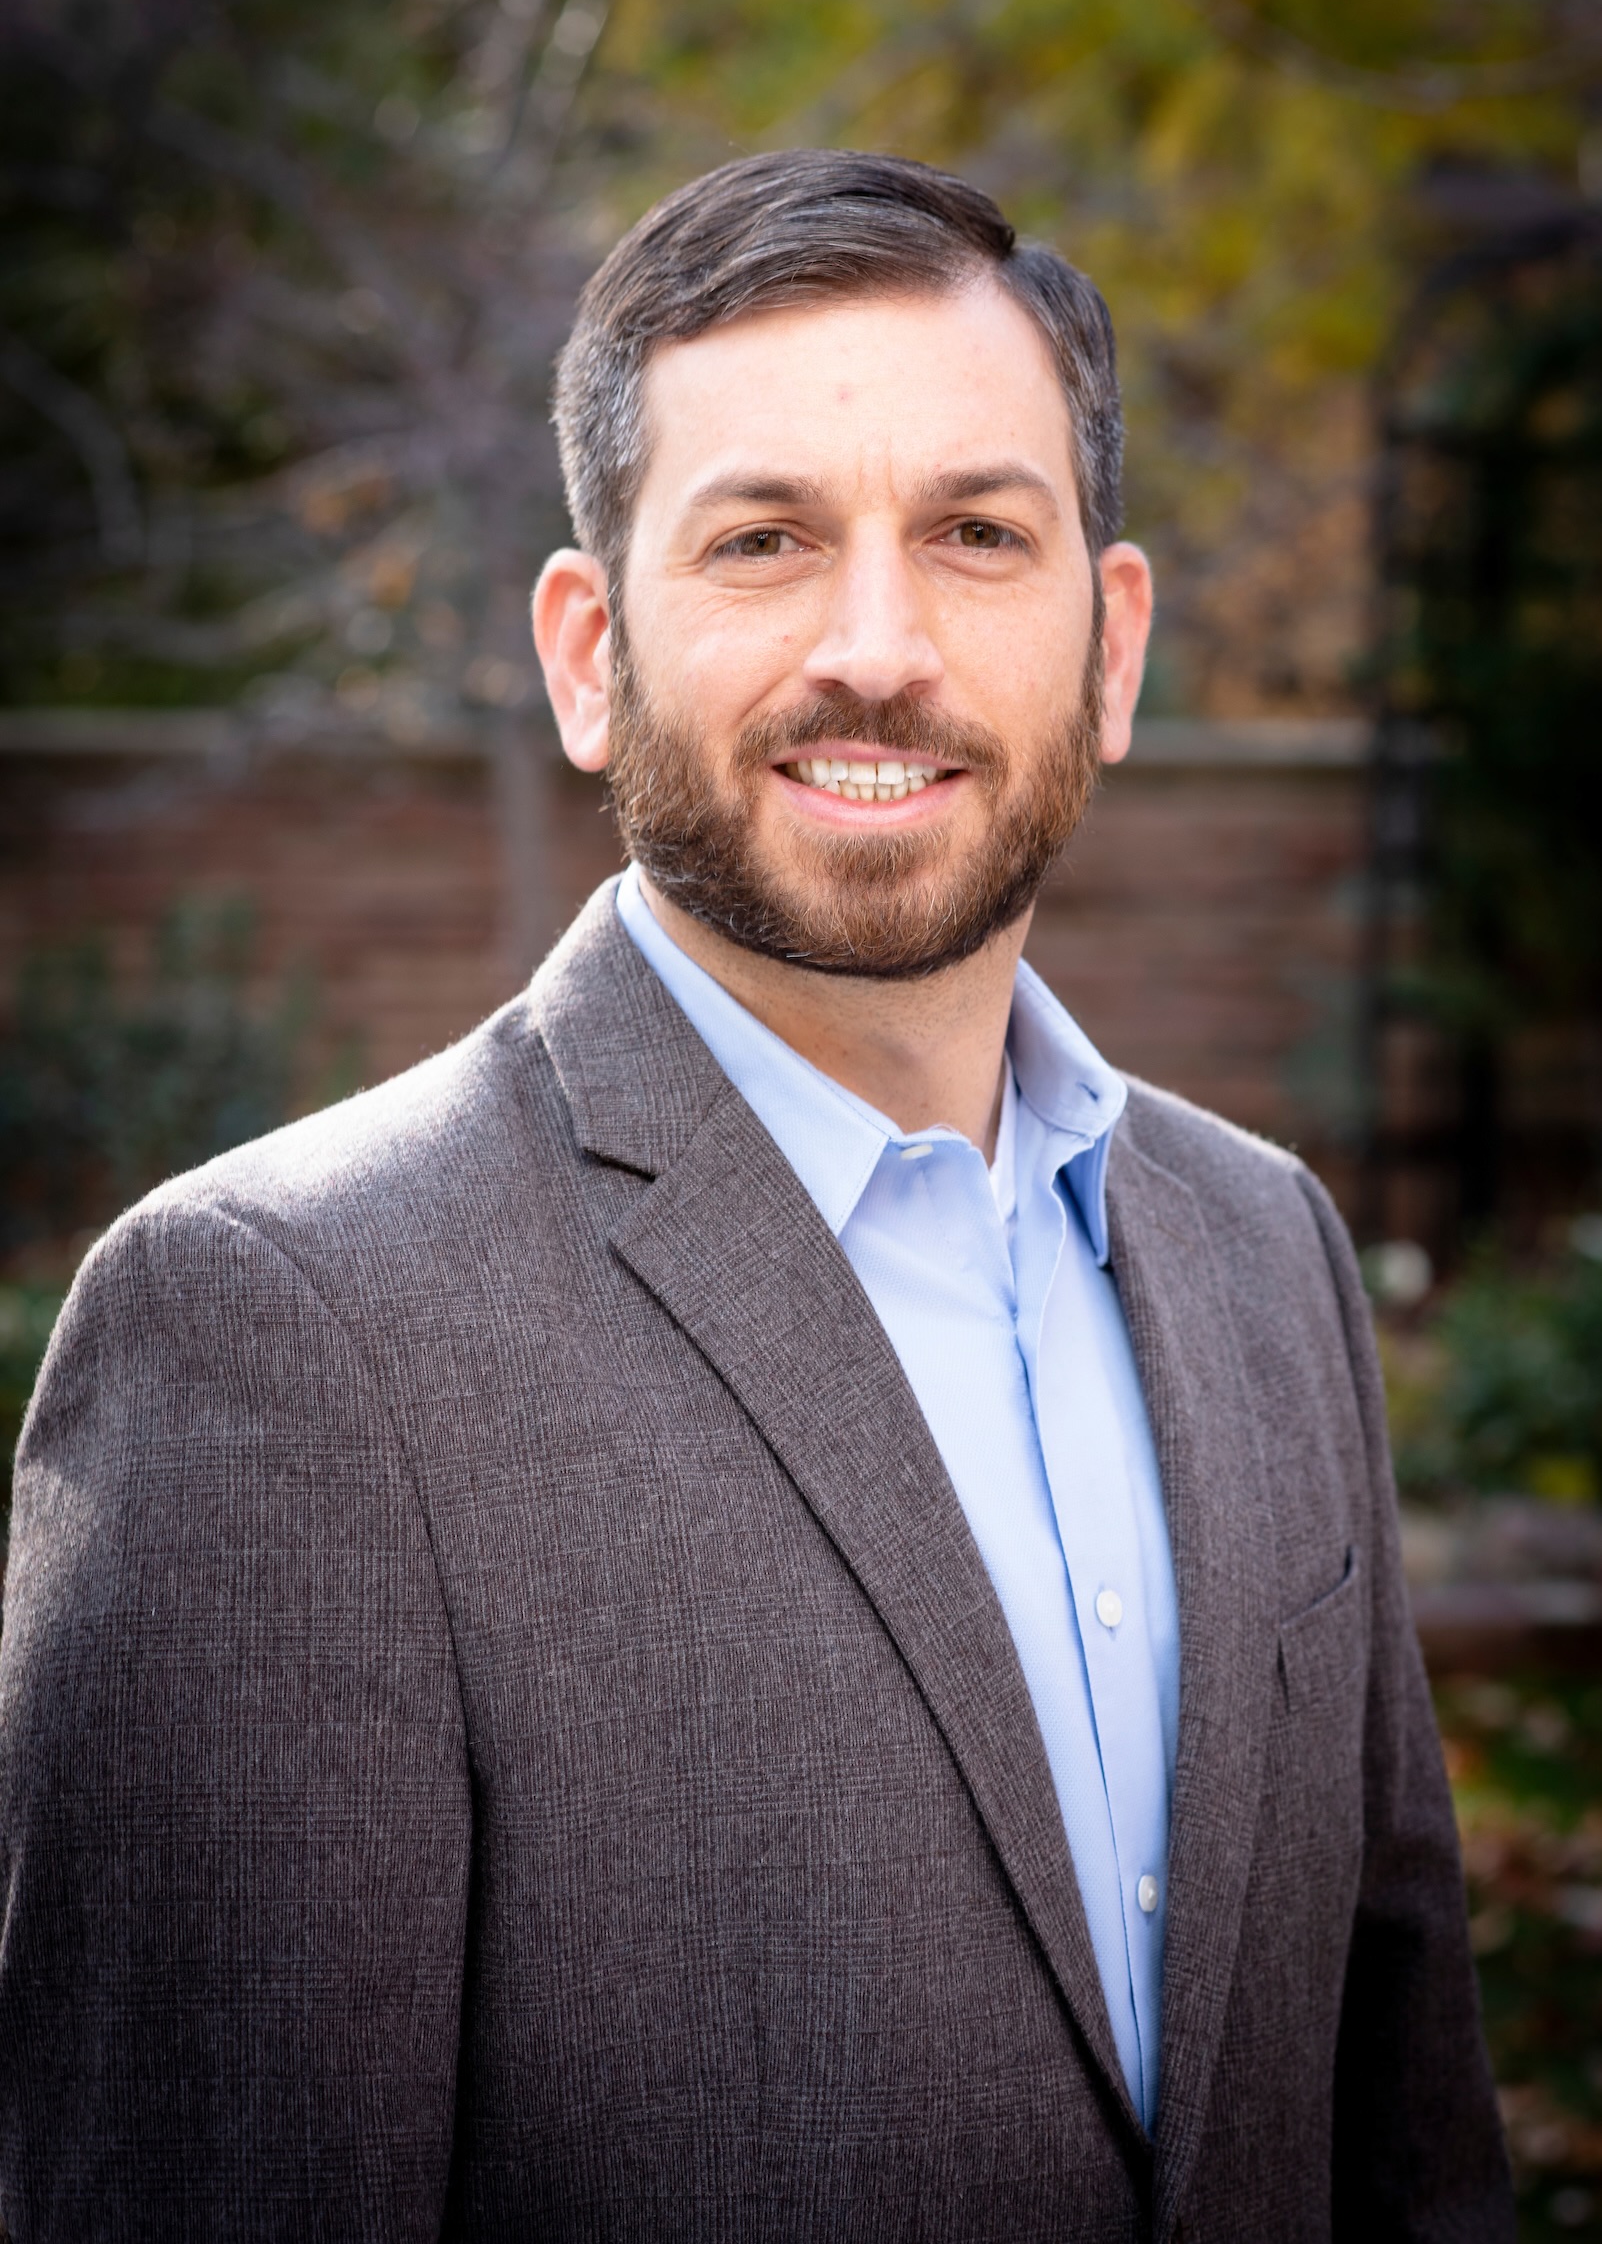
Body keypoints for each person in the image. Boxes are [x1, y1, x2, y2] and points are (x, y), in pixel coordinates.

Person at [0, 151, 1510, 2240]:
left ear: (1116, 639)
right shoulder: (274, 1338)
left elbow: (1405, 2134)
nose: (876, 649)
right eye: (767, 540)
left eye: (981, 535)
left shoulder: (1265, 1251)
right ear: (589, 649)